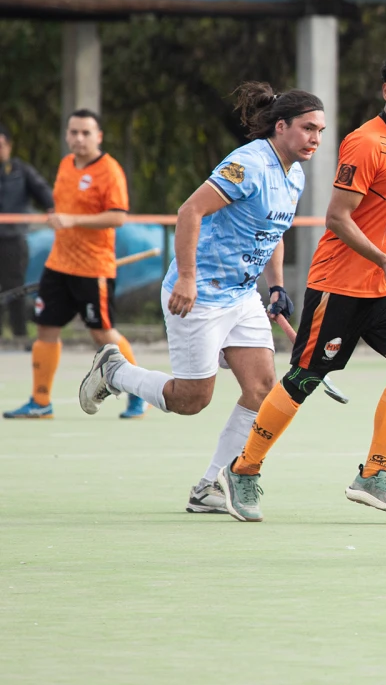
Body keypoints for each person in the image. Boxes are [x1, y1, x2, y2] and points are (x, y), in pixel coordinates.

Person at [78, 83, 325, 514]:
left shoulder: (296, 174)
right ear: (281, 126)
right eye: (307, 129)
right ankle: (115, 371)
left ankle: (210, 484)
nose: (315, 139)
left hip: (242, 295)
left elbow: (274, 233)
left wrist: (278, 286)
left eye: (320, 131)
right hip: (201, 294)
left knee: (263, 388)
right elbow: (190, 212)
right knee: (191, 399)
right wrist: (187, 279)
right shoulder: (247, 163)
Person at [218, 48, 386, 522]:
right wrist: (381, 256)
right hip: (339, 283)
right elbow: (338, 218)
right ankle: (244, 469)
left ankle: (374, 473)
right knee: (303, 379)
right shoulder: (364, 143)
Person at [3, 110, 145, 420]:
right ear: (67, 135)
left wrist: (73, 220)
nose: (79, 139)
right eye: (74, 132)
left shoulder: (110, 171)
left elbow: (118, 216)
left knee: (103, 334)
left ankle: (138, 396)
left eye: (85, 133)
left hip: (93, 269)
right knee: (46, 329)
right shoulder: (66, 165)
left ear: (98, 136)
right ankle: (40, 402)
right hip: (58, 265)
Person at [0, 123, 56, 341]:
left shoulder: (20, 171)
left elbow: (45, 194)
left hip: (13, 239)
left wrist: (53, 210)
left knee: (15, 289)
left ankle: (19, 335)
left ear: (9, 146)